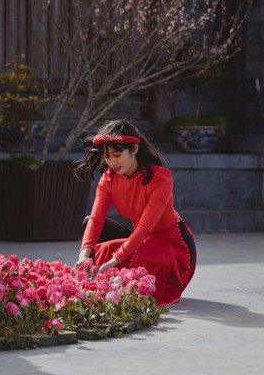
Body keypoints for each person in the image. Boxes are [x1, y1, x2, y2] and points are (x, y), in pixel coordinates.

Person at [74, 119, 196, 305]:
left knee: (125, 256)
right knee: (100, 244)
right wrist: (83, 256)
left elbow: (144, 228)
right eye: (107, 156)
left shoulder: (160, 178)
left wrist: (114, 261)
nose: (112, 162)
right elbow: (96, 220)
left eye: (117, 154)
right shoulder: (109, 179)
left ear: (135, 149)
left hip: (172, 246)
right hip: (143, 240)